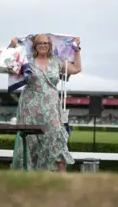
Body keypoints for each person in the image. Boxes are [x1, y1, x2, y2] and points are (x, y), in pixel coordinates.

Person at [11, 33, 82, 172]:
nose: (43, 45)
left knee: (56, 136)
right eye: (40, 43)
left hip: (51, 107)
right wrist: (12, 48)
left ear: (50, 46)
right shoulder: (27, 60)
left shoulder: (57, 61)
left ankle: (63, 176)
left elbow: (76, 69)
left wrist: (77, 49)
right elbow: (9, 67)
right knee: (30, 139)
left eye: (46, 43)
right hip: (30, 107)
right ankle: (28, 174)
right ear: (35, 46)